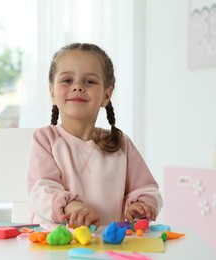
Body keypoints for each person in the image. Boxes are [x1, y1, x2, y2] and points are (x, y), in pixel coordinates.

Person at [27, 43, 163, 230]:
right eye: (67, 80)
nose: (77, 87)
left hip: (105, 244)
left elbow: (146, 188)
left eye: (89, 81)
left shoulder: (121, 144)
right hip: (54, 242)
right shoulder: (46, 139)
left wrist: (141, 205)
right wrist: (72, 207)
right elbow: (41, 190)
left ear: (106, 95)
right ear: (52, 92)